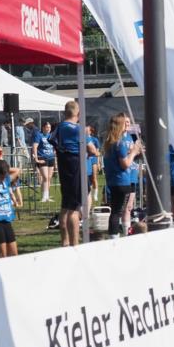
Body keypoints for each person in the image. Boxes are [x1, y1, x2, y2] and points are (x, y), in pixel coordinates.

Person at [54, 100, 97, 247]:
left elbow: (53, 142)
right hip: (75, 166)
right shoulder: (78, 129)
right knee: (73, 207)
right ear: (78, 114)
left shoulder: (59, 127)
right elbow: (92, 149)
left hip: (64, 165)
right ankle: (74, 243)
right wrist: (95, 151)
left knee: (66, 205)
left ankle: (65, 241)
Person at [102, 113, 142, 238]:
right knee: (117, 212)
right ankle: (115, 237)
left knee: (117, 211)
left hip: (114, 180)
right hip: (121, 181)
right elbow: (125, 164)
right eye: (125, 123)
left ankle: (117, 235)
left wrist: (134, 152)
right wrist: (134, 152)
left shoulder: (111, 142)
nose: (127, 125)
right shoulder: (119, 143)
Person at [32, 120, 56, 202]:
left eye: (49, 127)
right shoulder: (39, 135)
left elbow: (55, 145)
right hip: (42, 157)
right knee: (45, 177)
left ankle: (47, 196)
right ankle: (44, 197)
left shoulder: (51, 135)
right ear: (43, 128)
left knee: (49, 178)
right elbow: (35, 146)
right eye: (47, 127)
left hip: (51, 158)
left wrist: (55, 152)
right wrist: (36, 158)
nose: (48, 129)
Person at [86, 124, 101, 203]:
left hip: (93, 160)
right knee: (88, 178)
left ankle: (95, 194)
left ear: (90, 131)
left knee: (94, 177)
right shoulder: (83, 138)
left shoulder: (94, 139)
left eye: (88, 130)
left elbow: (97, 152)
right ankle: (89, 194)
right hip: (87, 160)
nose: (86, 131)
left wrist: (98, 162)